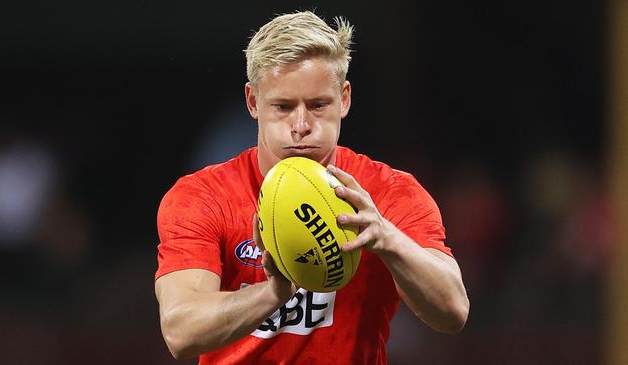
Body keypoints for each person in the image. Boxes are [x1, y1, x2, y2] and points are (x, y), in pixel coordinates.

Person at [154, 11, 469, 364]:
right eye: (283, 107)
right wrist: (274, 292)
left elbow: (453, 311)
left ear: (344, 99)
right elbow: (180, 331)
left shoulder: (388, 193)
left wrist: (387, 238)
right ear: (253, 102)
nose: (301, 125)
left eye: (318, 105)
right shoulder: (203, 197)